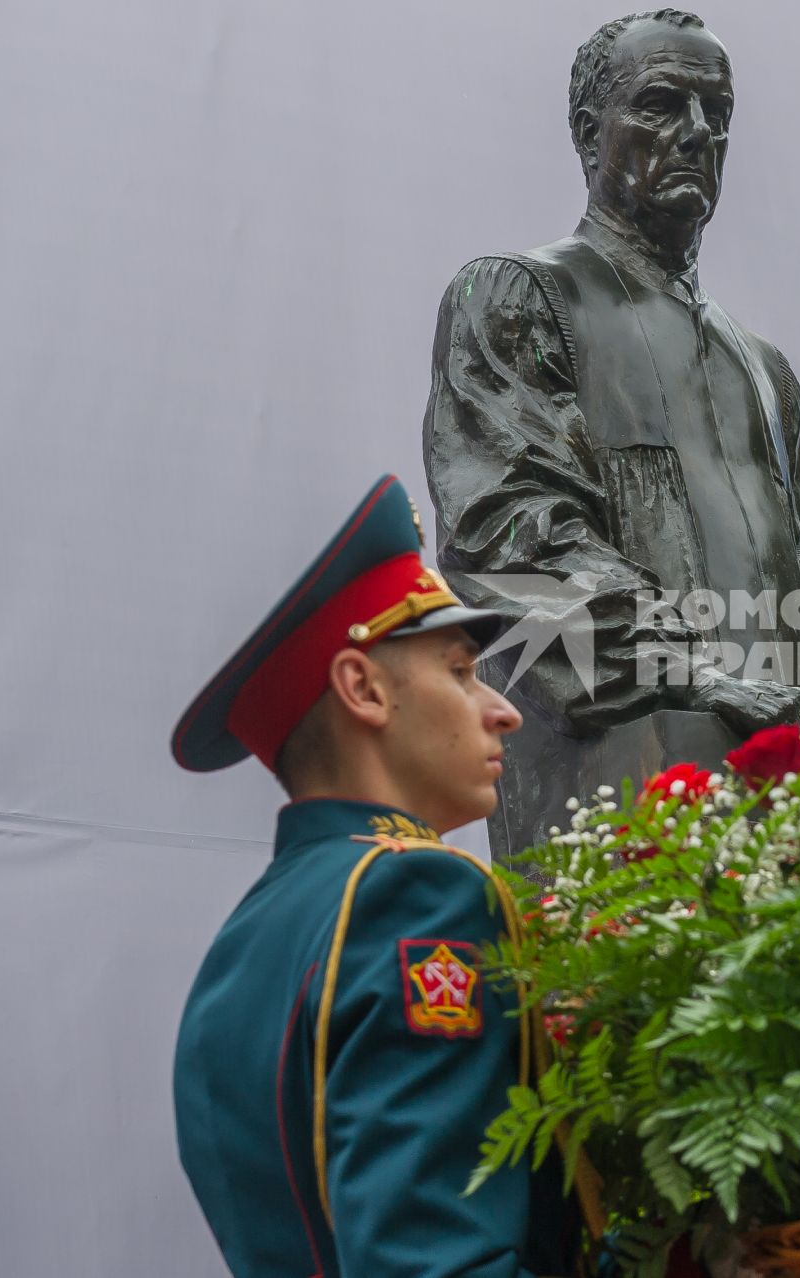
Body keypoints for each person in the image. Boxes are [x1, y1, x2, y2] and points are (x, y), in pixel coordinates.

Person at [422, 8, 800, 752]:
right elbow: (508, 536)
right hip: (617, 781)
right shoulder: (520, 297)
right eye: (660, 105)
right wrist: (685, 673)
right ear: (590, 133)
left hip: (776, 781)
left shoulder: (764, 370)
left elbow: (795, 597)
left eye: (717, 112)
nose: (697, 132)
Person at [169, 474, 599, 1277]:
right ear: (363, 689)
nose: (501, 710)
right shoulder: (418, 896)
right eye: (463, 672)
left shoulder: (241, 946)